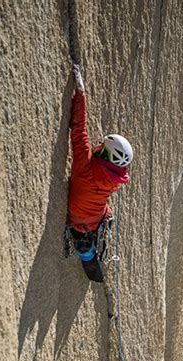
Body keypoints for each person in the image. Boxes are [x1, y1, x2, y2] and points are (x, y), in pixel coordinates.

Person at [67, 63, 133, 282]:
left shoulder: (86, 165)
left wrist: (81, 92)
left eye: (102, 146)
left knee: (84, 233)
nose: (97, 144)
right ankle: (88, 247)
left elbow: (79, 130)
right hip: (94, 218)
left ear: (105, 153)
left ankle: (86, 247)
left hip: (78, 218)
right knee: (100, 219)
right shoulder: (115, 180)